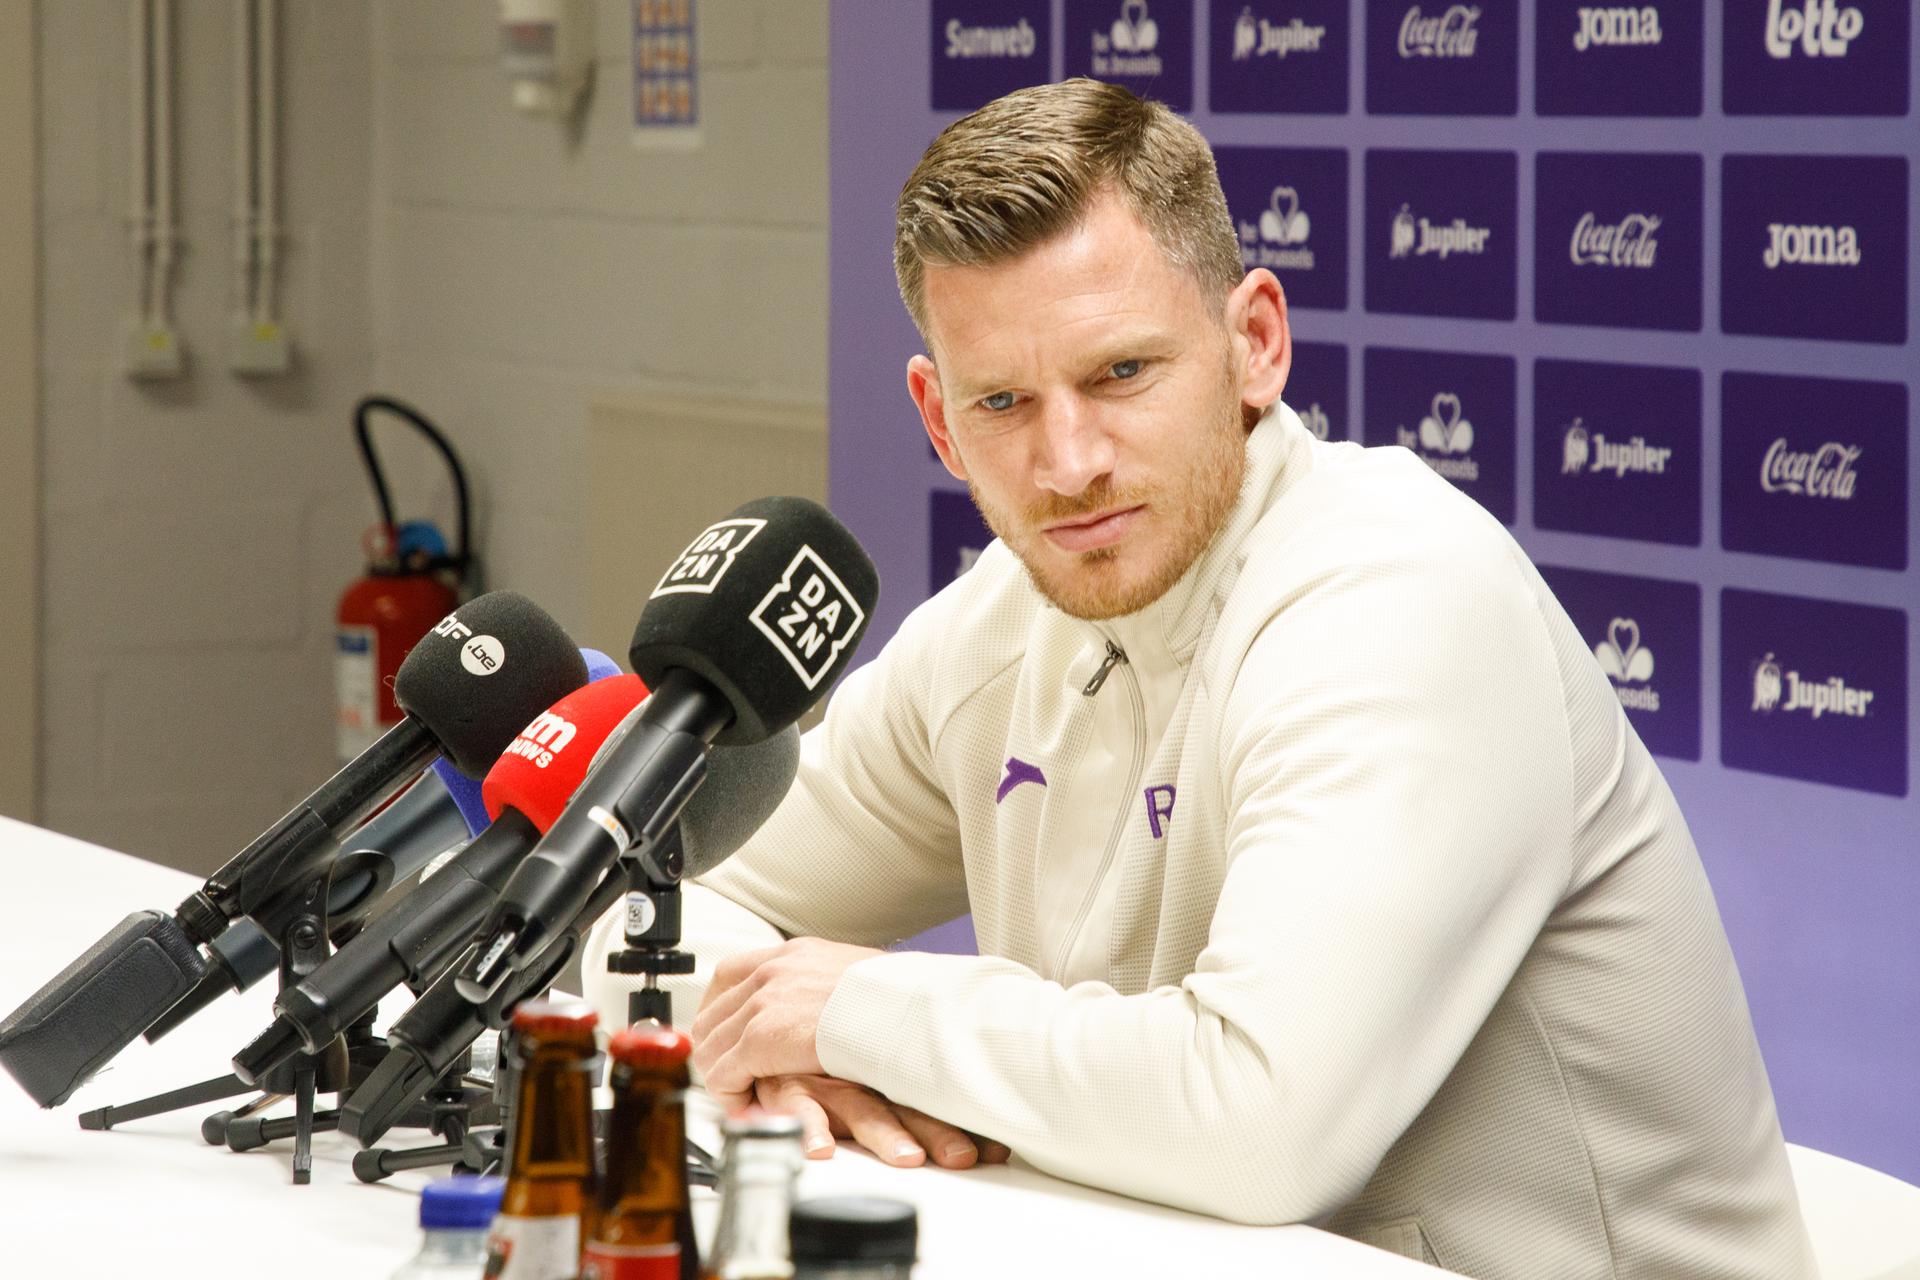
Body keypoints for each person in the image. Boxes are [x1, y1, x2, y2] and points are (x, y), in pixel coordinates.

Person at [583, 79, 1816, 1277]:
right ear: (939, 421)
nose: (1068, 461)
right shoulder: (997, 623)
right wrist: (774, 1049)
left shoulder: (1399, 593)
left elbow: (1259, 1118)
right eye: (1003, 400)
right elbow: (646, 905)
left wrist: (861, 1012)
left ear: (1254, 344)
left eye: (1121, 373)